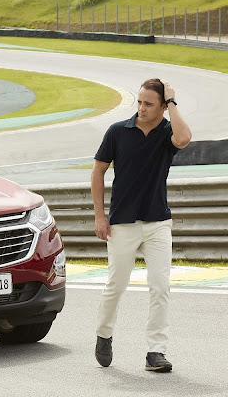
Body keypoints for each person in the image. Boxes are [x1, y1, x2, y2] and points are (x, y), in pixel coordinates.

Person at [91, 78, 192, 373]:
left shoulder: (167, 133)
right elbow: (98, 173)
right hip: (122, 222)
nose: (142, 108)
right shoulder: (117, 132)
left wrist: (173, 102)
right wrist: (100, 216)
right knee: (116, 285)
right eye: (139, 102)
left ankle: (155, 352)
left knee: (160, 287)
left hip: (158, 221)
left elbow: (184, 138)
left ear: (163, 106)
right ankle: (104, 335)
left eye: (149, 104)